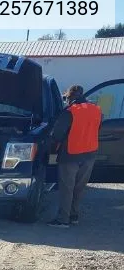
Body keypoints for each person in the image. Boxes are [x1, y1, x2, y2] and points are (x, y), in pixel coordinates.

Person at [47, 85, 103, 228]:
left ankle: (62, 220)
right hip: (90, 154)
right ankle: (74, 216)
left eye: (66, 98)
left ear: (70, 97)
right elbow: (97, 128)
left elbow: (57, 135)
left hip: (71, 154)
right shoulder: (96, 110)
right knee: (79, 187)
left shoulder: (70, 112)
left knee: (67, 188)